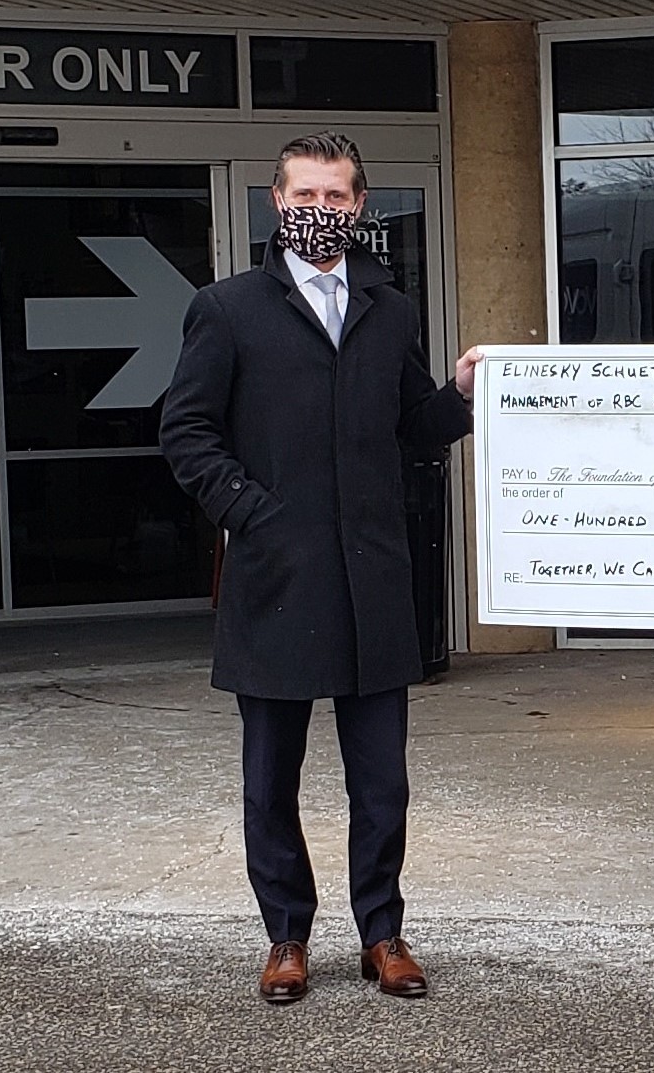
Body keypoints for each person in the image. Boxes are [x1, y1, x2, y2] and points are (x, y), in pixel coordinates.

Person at [160, 132, 482, 1004]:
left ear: (360, 206)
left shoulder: (389, 307)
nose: (319, 211)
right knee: (271, 781)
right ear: (276, 202)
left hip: (372, 583)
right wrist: (250, 516)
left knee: (383, 781)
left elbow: (411, 425)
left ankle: (382, 932)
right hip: (275, 582)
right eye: (305, 195)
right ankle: (287, 937)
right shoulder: (225, 309)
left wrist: (455, 396)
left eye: (336, 197)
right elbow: (185, 433)